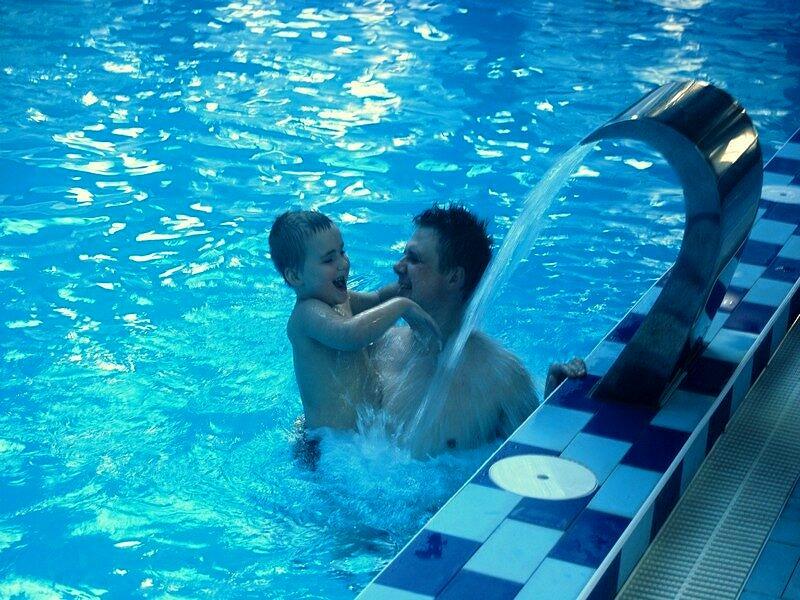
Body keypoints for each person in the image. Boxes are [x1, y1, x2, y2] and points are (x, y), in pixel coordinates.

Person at [373, 205, 585, 457]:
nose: (398, 266)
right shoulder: (380, 347)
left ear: (454, 278)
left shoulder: (503, 379)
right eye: (403, 255)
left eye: (414, 259)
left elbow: (539, 459)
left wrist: (553, 406)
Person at [268, 210, 441, 435]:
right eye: (329, 260)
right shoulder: (307, 315)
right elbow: (350, 336)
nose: (343, 264)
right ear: (295, 277)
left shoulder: (340, 301)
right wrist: (402, 305)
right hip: (326, 442)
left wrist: (406, 287)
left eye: (342, 252)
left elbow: (377, 299)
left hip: (360, 433)